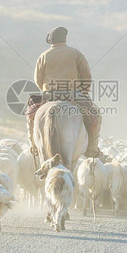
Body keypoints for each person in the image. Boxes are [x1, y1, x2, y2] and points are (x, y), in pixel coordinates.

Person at [27, 26, 102, 158]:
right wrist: (84, 92)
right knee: (95, 117)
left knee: (31, 115)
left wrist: (46, 89)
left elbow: (38, 79)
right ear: (65, 38)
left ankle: (34, 145)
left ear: (51, 41)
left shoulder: (43, 56)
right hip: (73, 94)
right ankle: (92, 150)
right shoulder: (76, 53)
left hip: (49, 94)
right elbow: (86, 77)